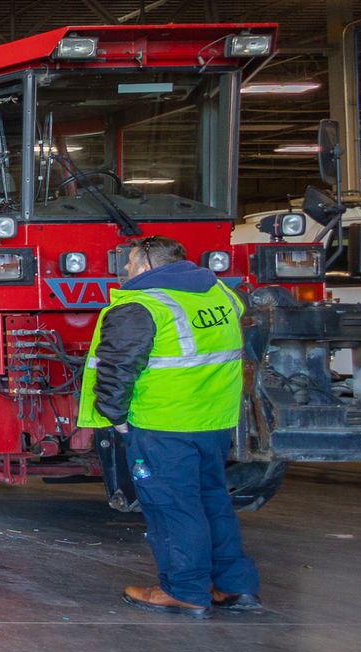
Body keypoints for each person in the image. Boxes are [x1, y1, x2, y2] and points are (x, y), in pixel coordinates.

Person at [79, 234, 262, 618]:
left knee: (172, 508)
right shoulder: (221, 295)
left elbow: (116, 369)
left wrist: (115, 417)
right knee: (213, 501)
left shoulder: (141, 306)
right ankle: (234, 587)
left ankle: (184, 590)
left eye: (129, 262)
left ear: (147, 264)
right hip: (212, 421)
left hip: (163, 422)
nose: (125, 270)